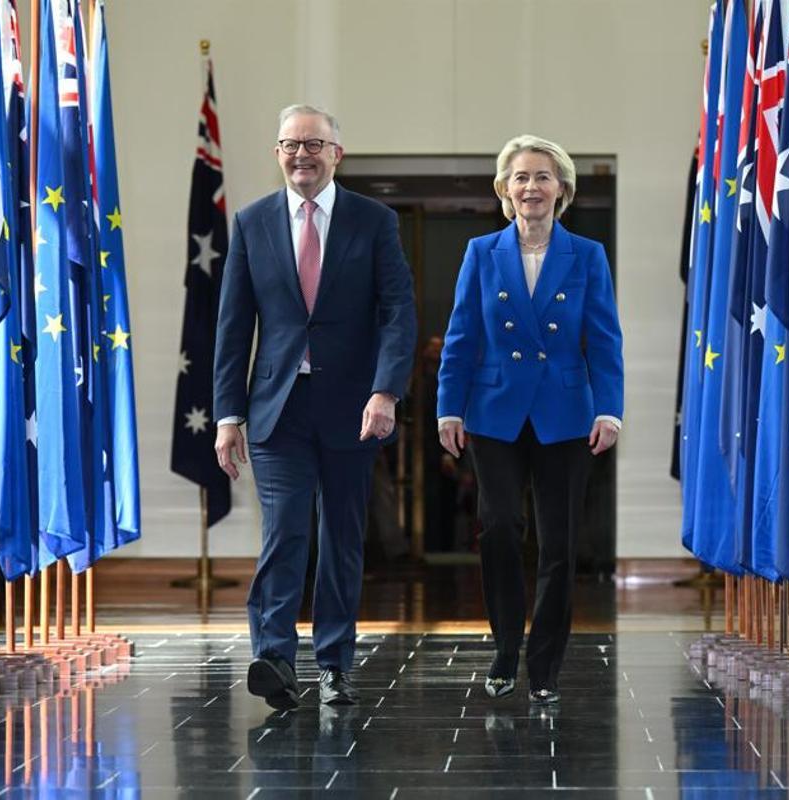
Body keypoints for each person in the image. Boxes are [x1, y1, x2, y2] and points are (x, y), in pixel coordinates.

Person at [212, 105, 417, 710]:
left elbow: (397, 312)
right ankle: (274, 658)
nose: (302, 154)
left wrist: (386, 391)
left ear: (337, 153)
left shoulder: (373, 221)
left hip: (355, 409)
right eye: (290, 143)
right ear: (277, 152)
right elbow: (232, 327)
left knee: (342, 539)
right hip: (277, 409)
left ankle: (334, 664)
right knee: (284, 533)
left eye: (314, 144)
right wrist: (228, 416)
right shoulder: (252, 224)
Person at [436, 134, 624, 704]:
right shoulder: (480, 251)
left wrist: (609, 408)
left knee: (560, 543)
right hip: (494, 414)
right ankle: (504, 650)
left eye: (543, 177)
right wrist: (449, 404)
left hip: (566, 415)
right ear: (504, 189)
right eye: (520, 177)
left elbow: (604, 338)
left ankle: (544, 663)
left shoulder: (586, 255)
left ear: (561, 189)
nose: (531, 187)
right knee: (497, 530)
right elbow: (462, 334)